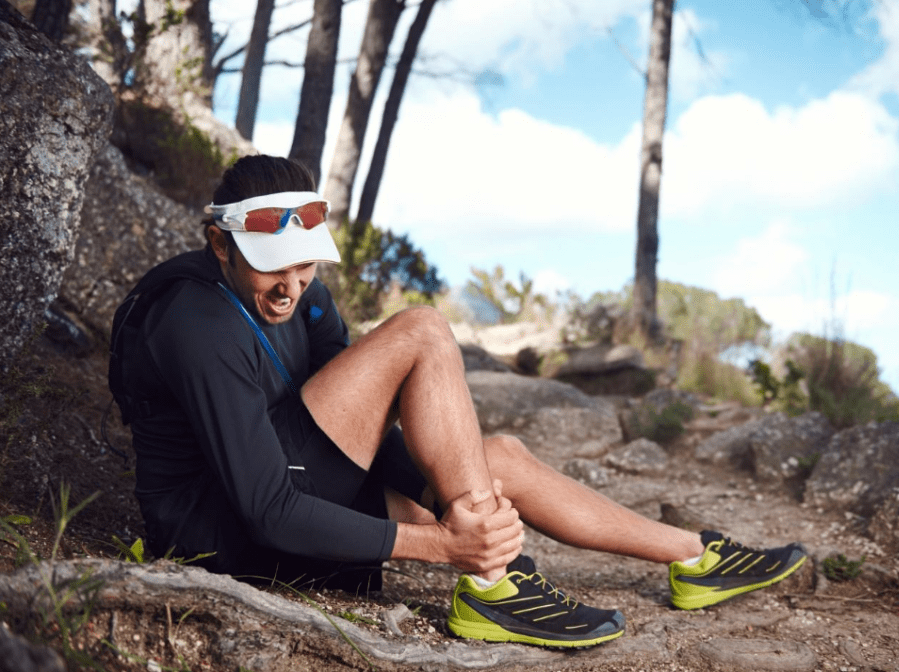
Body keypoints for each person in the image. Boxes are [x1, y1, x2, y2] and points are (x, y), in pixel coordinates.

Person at [113, 154, 806, 649]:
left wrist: (451, 497)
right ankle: (492, 588)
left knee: (497, 458)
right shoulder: (195, 323)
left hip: (287, 480)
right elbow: (267, 509)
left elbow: (351, 428)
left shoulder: (305, 297)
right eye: (274, 267)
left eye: (306, 264)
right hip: (222, 531)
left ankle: (695, 558)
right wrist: (445, 545)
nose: (292, 287)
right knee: (421, 329)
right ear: (220, 244)